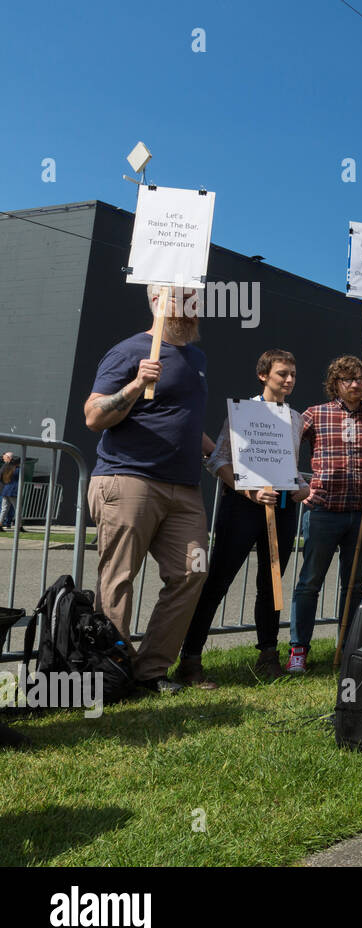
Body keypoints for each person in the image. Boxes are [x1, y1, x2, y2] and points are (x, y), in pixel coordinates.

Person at [83, 284, 209, 694]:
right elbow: (93, 416)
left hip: (184, 490)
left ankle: (150, 671)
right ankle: (112, 674)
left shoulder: (196, 358)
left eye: (195, 299)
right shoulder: (129, 351)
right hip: (129, 480)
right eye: (182, 298)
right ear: (157, 301)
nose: (192, 306)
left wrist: (224, 462)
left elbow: (184, 422)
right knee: (118, 578)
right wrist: (136, 385)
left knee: (193, 570)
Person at [177, 349, 309, 686]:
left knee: (272, 584)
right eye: (283, 373)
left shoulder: (296, 419)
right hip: (242, 508)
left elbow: (288, 467)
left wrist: (300, 487)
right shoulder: (242, 412)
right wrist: (249, 491)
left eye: (293, 374)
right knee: (218, 581)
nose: (290, 380)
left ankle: (268, 656)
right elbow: (218, 461)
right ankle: (190, 660)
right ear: (263, 375)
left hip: (281, 509)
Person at [289, 356, 362, 675]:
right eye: (348, 379)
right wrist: (301, 486)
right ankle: (298, 650)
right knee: (310, 582)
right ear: (335, 383)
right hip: (324, 512)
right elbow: (285, 446)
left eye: (360, 379)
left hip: (361, 513)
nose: (355, 384)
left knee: (354, 585)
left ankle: (347, 646)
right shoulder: (315, 414)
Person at [0, 452, 20, 532]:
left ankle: (1, 523)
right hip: (12, 491)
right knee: (17, 508)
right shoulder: (16, 469)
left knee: (4, 509)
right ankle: (19, 525)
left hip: (6, 490)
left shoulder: (6, 467)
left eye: (4, 457)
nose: (3, 458)